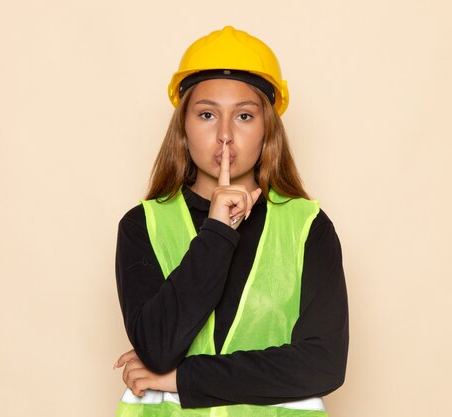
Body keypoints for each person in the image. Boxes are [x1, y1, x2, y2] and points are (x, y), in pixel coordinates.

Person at [113, 26, 349, 417]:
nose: (225, 136)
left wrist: (182, 379)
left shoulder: (308, 227)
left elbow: (323, 364)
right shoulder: (142, 225)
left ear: (266, 129)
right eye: (207, 114)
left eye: (243, 116)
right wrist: (218, 233)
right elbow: (157, 348)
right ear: (183, 128)